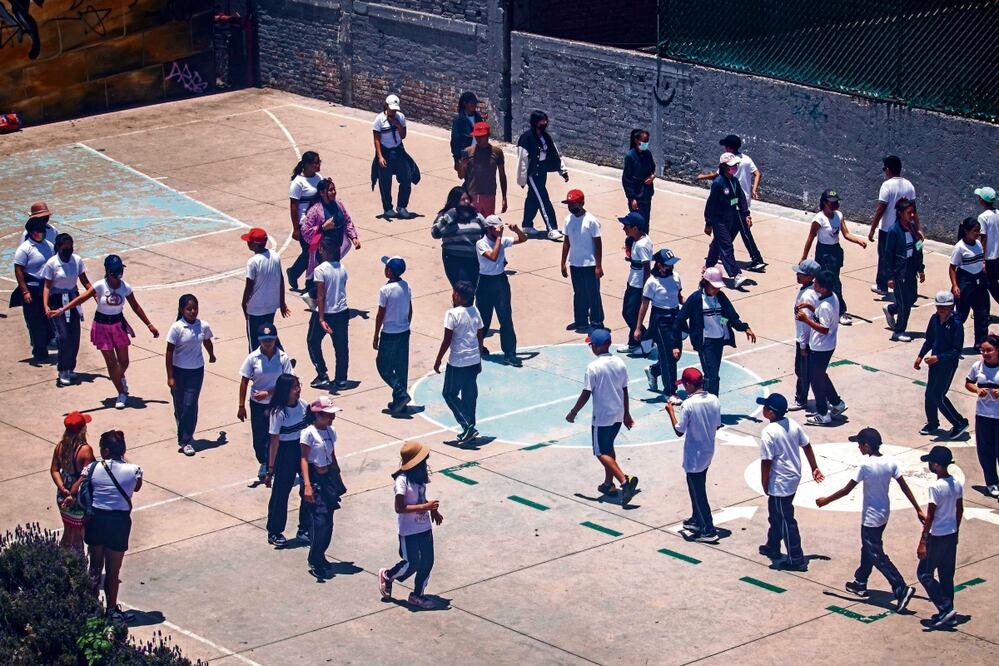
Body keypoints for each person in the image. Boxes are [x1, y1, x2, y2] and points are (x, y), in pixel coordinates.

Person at [815, 427, 921, 612]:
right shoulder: (891, 462)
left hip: (871, 517)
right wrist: (918, 509)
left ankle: (901, 588)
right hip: (884, 514)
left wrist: (825, 501)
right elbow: (904, 487)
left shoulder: (865, 466)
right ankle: (860, 581)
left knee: (876, 554)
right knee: (868, 548)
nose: (858, 448)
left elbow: (846, 490)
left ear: (867, 445)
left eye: (859, 444)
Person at [54, 255, 159, 410]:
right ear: (109, 272)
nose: (120, 273)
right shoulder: (100, 286)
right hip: (102, 326)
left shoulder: (125, 287)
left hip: (118, 325)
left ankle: (118, 377)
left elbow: (135, 306)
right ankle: (121, 392)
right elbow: (82, 298)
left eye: (121, 269)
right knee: (111, 363)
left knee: (123, 362)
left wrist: (149, 324)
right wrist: (63, 309)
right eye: (117, 270)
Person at [72, 430, 142, 623]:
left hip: (96, 520)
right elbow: (136, 487)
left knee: (94, 567)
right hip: (119, 523)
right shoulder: (134, 470)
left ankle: (92, 609)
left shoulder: (93, 468)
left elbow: (76, 489)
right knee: (113, 571)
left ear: (107, 450)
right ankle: (111, 609)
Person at [565, 327, 640, 505]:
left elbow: (586, 393)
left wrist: (573, 412)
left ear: (597, 347)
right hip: (618, 414)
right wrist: (627, 413)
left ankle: (624, 480)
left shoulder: (593, 367)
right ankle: (608, 484)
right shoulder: (620, 363)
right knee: (609, 447)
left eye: (591, 345)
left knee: (599, 452)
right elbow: (625, 390)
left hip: (602, 417)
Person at [757, 393, 824, 571]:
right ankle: (772, 546)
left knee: (786, 519)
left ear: (770, 413)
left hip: (780, 483)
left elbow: (766, 462)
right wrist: (814, 467)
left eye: (765, 407)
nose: (762, 409)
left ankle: (795, 558)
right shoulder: (792, 425)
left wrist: (764, 482)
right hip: (793, 478)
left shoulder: (768, 433)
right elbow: (806, 445)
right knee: (775, 514)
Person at [379, 441, 443, 610]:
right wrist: (425, 507)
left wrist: (432, 510)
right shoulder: (402, 481)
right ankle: (388, 575)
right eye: (423, 461)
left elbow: (421, 500)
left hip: (424, 527)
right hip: (409, 531)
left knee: (428, 561)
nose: (425, 465)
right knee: (411, 562)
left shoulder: (419, 478)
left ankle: (417, 595)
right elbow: (399, 508)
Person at [673, 267, 756, 396]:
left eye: (718, 287)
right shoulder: (695, 299)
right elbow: (679, 319)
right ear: (706, 283)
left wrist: (744, 327)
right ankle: (712, 401)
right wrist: (676, 344)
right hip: (705, 342)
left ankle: (705, 398)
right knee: (712, 376)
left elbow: (731, 315)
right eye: (714, 286)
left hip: (719, 340)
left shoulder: (721, 297)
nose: (717, 290)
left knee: (712, 374)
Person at [664, 367, 720, 543]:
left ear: (689, 384)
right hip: (708, 449)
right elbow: (717, 424)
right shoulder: (714, 399)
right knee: (697, 485)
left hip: (694, 453)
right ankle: (696, 520)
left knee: (697, 491)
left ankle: (708, 529)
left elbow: (679, 431)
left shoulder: (688, 405)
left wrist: (671, 413)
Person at [799, 190, 867, 325]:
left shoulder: (839, 216)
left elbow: (846, 234)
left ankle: (826, 307)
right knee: (833, 282)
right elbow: (810, 238)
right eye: (833, 203)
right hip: (823, 253)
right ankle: (841, 311)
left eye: (837, 202)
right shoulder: (819, 219)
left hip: (835, 252)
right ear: (824, 203)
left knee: (831, 281)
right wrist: (804, 257)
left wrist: (858, 240)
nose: (836, 205)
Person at [699, 135, 766, 271]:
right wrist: (754, 189)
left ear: (729, 148)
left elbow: (717, 176)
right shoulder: (747, 159)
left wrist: (703, 177)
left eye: (725, 146)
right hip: (742, 201)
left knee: (743, 231)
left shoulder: (728, 163)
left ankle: (756, 259)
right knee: (726, 234)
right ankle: (715, 257)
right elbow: (758, 173)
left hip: (736, 203)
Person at [238, 324, 295, 481]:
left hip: (276, 403)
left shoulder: (283, 358)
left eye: (270, 339)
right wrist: (241, 406)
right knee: (259, 437)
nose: (268, 343)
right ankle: (263, 460)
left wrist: (268, 392)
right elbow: (244, 382)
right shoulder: (252, 358)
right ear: (259, 341)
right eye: (264, 340)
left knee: (274, 435)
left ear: (275, 339)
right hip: (257, 404)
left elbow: (289, 380)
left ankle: (269, 464)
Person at [299, 395, 347, 580]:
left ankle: (320, 555)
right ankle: (314, 559)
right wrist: (307, 485)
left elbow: (332, 454)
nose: (331, 418)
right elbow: (303, 459)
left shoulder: (330, 431)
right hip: (315, 479)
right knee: (320, 522)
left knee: (329, 523)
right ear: (317, 415)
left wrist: (337, 475)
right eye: (327, 415)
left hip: (328, 479)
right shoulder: (309, 433)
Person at [916, 445, 963, 629]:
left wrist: (923, 541)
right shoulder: (957, 484)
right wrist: (956, 530)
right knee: (946, 575)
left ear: (936, 465)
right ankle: (949, 613)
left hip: (937, 537)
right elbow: (959, 509)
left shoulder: (935, 487)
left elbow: (930, 515)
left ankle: (944, 608)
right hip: (951, 535)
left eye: (930, 462)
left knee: (924, 574)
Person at [264, 374, 312, 546]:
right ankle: (274, 531)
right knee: (281, 493)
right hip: (285, 452)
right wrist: (270, 469)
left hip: (302, 448)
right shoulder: (278, 413)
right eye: (294, 387)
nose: (298, 390)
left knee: (308, 488)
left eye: (299, 386)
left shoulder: (303, 405)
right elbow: (274, 442)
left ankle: (305, 528)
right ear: (285, 391)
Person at [165, 294, 215, 455]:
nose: (193, 311)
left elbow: (207, 341)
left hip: (196, 371)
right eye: (189, 309)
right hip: (178, 371)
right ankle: (183, 424)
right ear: (182, 310)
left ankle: (185, 440)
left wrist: (211, 355)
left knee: (190, 404)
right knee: (180, 405)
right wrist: (170, 376)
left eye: (195, 308)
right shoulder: (177, 328)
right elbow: (169, 352)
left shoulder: (203, 326)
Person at [796, 270, 848, 426]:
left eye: (816, 283)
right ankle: (837, 403)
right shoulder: (829, 298)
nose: (814, 285)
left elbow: (824, 328)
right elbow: (821, 315)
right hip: (826, 346)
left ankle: (823, 413)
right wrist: (811, 309)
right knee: (820, 375)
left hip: (821, 347)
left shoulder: (825, 305)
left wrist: (806, 319)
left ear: (823, 288)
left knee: (816, 380)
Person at [434, 281, 484, 443]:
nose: (452, 295)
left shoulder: (452, 314)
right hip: (473, 359)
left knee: (449, 393)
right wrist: (479, 355)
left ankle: (467, 426)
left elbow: (447, 339)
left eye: (454, 293)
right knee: (470, 394)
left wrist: (438, 359)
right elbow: (480, 334)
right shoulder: (475, 310)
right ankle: (470, 426)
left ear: (459, 297)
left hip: (458, 361)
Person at [916, 292, 968, 439]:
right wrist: (920, 356)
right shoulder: (934, 319)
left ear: (951, 306)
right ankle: (932, 423)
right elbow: (929, 339)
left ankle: (959, 422)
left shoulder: (956, 324)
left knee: (939, 395)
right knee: (929, 394)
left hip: (947, 364)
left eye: (944, 307)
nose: (941, 310)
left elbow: (956, 351)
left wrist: (938, 358)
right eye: (939, 306)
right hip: (934, 363)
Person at [41, 233, 91, 386]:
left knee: (75, 335)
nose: (69, 250)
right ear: (58, 247)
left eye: (71, 246)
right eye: (65, 247)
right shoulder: (52, 263)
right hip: (57, 301)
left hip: (73, 299)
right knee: (63, 336)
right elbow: (47, 286)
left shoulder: (77, 260)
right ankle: (62, 369)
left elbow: (85, 282)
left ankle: (70, 367)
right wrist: (46, 305)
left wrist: (96, 296)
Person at [634, 248, 683, 402]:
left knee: (676, 354)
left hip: (675, 317)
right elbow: (644, 305)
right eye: (668, 265)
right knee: (669, 355)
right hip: (660, 320)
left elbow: (678, 297)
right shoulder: (652, 282)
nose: (671, 267)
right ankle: (669, 391)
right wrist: (638, 327)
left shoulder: (676, 277)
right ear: (660, 265)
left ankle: (654, 371)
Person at [476, 216, 526, 367]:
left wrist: (516, 229)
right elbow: (492, 256)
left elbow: (523, 239)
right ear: (489, 229)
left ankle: (510, 352)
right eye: (497, 229)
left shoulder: (502, 240)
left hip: (500, 281)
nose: (500, 231)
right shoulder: (481, 243)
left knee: (505, 318)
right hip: (485, 282)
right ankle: (476, 348)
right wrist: (499, 238)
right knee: (483, 318)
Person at [300, 178, 359, 294]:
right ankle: (314, 297)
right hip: (322, 251)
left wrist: (353, 237)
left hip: (336, 248)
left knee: (333, 276)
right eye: (330, 190)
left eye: (334, 189)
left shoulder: (339, 205)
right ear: (322, 193)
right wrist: (322, 227)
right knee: (324, 276)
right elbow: (305, 231)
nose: (334, 192)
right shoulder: (315, 210)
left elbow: (347, 221)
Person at [869, 156, 918, 296]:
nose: (884, 171)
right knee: (901, 256)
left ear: (889, 169)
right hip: (905, 228)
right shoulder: (909, 185)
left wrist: (872, 228)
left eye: (884, 168)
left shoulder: (886, 185)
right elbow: (914, 209)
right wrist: (918, 228)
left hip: (887, 230)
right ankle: (899, 283)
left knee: (885, 256)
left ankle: (882, 285)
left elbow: (881, 208)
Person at [516, 110, 568, 241]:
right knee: (543, 199)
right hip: (533, 173)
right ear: (535, 122)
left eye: (546, 121)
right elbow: (523, 160)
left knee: (533, 197)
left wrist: (563, 171)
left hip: (542, 171)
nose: (545, 123)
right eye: (542, 121)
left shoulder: (546, 137)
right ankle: (552, 228)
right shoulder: (526, 138)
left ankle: (527, 225)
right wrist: (522, 179)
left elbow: (554, 154)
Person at [307, 238, 350, 391]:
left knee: (312, 341)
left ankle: (322, 374)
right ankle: (341, 379)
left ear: (322, 250)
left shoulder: (320, 270)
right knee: (341, 347)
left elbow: (321, 295)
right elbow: (341, 289)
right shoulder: (342, 268)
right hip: (342, 312)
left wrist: (321, 318)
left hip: (327, 312)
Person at [50, 411, 95, 553]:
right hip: (77, 498)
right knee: (76, 536)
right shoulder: (85, 450)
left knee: (68, 531)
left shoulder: (60, 447)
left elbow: (54, 470)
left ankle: (60, 562)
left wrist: (63, 489)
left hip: (62, 496)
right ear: (82, 429)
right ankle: (75, 568)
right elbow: (85, 476)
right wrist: (72, 494)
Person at [704, 152, 751, 288]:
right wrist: (708, 223)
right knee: (727, 246)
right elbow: (710, 204)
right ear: (724, 167)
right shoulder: (718, 183)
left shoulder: (734, 181)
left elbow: (741, 198)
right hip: (719, 220)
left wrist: (746, 214)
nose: (735, 167)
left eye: (736, 165)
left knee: (717, 244)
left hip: (730, 218)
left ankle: (708, 267)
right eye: (732, 166)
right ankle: (736, 275)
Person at [12, 215, 54, 363]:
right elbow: (18, 270)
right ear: (31, 232)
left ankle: (46, 342)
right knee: (36, 323)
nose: (42, 233)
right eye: (39, 231)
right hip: (32, 289)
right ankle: (39, 352)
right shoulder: (24, 249)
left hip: (46, 289)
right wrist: (24, 291)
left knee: (49, 321)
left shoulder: (48, 245)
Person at [560, 190, 604, 332]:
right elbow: (566, 242)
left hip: (589, 264)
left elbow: (598, 244)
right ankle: (580, 321)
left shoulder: (591, 221)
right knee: (579, 293)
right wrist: (563, 263)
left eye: (573, 204)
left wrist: (598, 265)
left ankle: (597, 322)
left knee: (593, 294)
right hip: (575, 263)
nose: (570, 207)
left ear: (581, 203)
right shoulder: (568, 220)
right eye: (569, 204)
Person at [374, 256, 413, 413]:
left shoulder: (385, 290)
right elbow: (410, 310)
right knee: (400, 367)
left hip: (389, 333)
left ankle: (400, 393)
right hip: (404, 331)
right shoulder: (406, 286)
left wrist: (376, 334)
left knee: (383, 365)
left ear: (389, 271)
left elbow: (380, 314)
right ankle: (399, 402)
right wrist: (406, 324)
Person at [882, 198, 924, 342]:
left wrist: (921, 268)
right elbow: (888, 255)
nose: (912, 215)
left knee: (912, 298)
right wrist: (889, 277)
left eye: (913, 212)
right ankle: (898, 331)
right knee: (904, 302)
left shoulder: (912, 228)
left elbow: (918, 248)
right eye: (909, 212)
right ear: (900, 213)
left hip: (911, 270)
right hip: (899, 272)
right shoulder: (894, 231)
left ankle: (891, 309)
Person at [241, 227, 288, 352]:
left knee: (254, 341)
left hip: (255, 308)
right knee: (269, 334)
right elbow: (281, 280)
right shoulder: (275, 257)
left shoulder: (253, 262)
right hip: (271, 306)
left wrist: (244, 303)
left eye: (249, 241)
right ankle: (282, 356)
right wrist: (282, 302)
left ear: (254, 245)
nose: (247, 243)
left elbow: (249, 286)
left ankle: (252, 367)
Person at [965, 334, 999, 497]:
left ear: (997, 350)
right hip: (983, 415)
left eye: (989, 350)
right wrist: (977, 390)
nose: (985, 353)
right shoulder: (977, 366)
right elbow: (969, 382)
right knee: (986, 451)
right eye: (983, 350)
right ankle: (992, 483)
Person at [431, 186, 486, 288]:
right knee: (463, 289)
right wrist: (450, 215)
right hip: (454, 259)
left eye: (467, 198)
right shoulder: (446, 215)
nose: (466, 202)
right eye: (462, 199)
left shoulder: (476, 214)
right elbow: (435, 233)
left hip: (474, 258)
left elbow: (487, 231)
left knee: (472, 289)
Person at [949, 217, 988, 349]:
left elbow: (980, 257)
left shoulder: (977, 244)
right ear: (966, 231)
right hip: (965, 281)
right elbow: (952, 268)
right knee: (961, 315)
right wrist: (955, 285)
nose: (977, 234)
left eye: (978, 231)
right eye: (974, 231)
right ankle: (953, 342)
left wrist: (982, 264)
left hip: (979, 280)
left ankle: (980, 342)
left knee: (981, 313)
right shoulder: (959, 247)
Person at [286, 150, 323, 291]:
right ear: (307, 165)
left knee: (314, 252)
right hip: (304, 223)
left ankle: (302, 276)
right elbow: (294, 206)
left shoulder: (318, 178)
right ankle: (295, 273)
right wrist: (296, 228)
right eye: (315, 163)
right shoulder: (298, 183)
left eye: (319, 162)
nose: (318, 165)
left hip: (317, 222)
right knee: (309, 251)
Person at [373, 94, 414, 219]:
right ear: (386, 106)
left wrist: (398, 125)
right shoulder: (379, 119)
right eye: (391, 109)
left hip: (398, 151)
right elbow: (376, 139)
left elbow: (403, 136)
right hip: (385, 152)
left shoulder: (400, 118)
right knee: (385, 181)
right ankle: (388, 208)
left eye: (395, 109)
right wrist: (380, 156)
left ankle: (401, 206)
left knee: (406, 178)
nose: (394, 112)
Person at [618, 211, 652, 355]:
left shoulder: (642, 245)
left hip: (638, 286)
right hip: (632, 282)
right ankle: (634, 342)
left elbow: (646, 268)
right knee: (629, 312)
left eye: (626, 226)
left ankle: (645, 340)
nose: (624, 228)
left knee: (629, 314)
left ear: (635, 228)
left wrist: (646, 288)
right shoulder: (637, 241)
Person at [458, 121, 507, 217]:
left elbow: (502, 175)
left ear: (488, 136)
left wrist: (504, 197)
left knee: (489, 225)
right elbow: (460, 176)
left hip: (489, 195)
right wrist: (462, 165)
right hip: (472, 195)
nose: (478, 138)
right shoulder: (468, 151)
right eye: (476, 136)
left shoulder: (497, 152)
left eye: (481, 136)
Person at [789, 260, 820, 412]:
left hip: (805, 340)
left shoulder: (807, 296)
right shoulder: (810, 290)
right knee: (806, 371)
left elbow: (804, 323)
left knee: (803, 372)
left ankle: (801, 399)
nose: (797, 275)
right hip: (807, 339)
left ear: (810, 276)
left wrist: (802, 345)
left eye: (801, 274)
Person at [622, 128, 656, 224]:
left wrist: (652, 176)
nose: (646, 143)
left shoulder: (647, 154)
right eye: (644, 141)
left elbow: (652, 168)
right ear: (637, 140)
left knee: (645, 222)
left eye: (647, 141)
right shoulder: (630, 156)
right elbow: (626, 179)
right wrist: (632, 198)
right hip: (636, 195)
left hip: (646, 194)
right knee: (637, 223)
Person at [975, 186, 999, 306]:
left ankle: (984, 313)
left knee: (989, 285)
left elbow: (983, 238)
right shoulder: (998, 213)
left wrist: (982, 260)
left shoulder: (983, 217)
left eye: (979, 197)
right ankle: (984, 312)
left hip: (988, 258)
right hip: (997, 257)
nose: (978, 199)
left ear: (983, 201)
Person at [450, 91, 482, 175]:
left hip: (477, 152)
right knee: (470, 178)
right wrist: (457, 158)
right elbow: (455, 140)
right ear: (465, 103)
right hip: (465, 154)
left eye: (475, 103)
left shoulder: (478, 117)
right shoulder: (459, 119)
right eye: (472, 103)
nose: (474, 105)